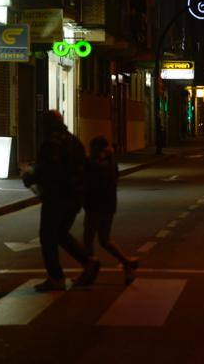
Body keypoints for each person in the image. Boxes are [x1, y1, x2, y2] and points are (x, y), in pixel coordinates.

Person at [22, 111, 100, 292]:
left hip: (57, 197)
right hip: (75, 197)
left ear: (46, 125)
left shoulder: (51, 144)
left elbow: (50, 171)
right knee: (61, 234)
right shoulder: (73, 140)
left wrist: (31, 176)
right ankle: (88, 261)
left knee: (48, 236)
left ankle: (56, 277)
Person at [83, 136, 139, 285]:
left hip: (95, 206)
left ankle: (87, 272)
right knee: (104, 240)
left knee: (88, 240)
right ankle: (127, 262)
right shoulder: (111, 163)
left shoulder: (97, 165)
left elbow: (90, 183)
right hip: (108, 206)